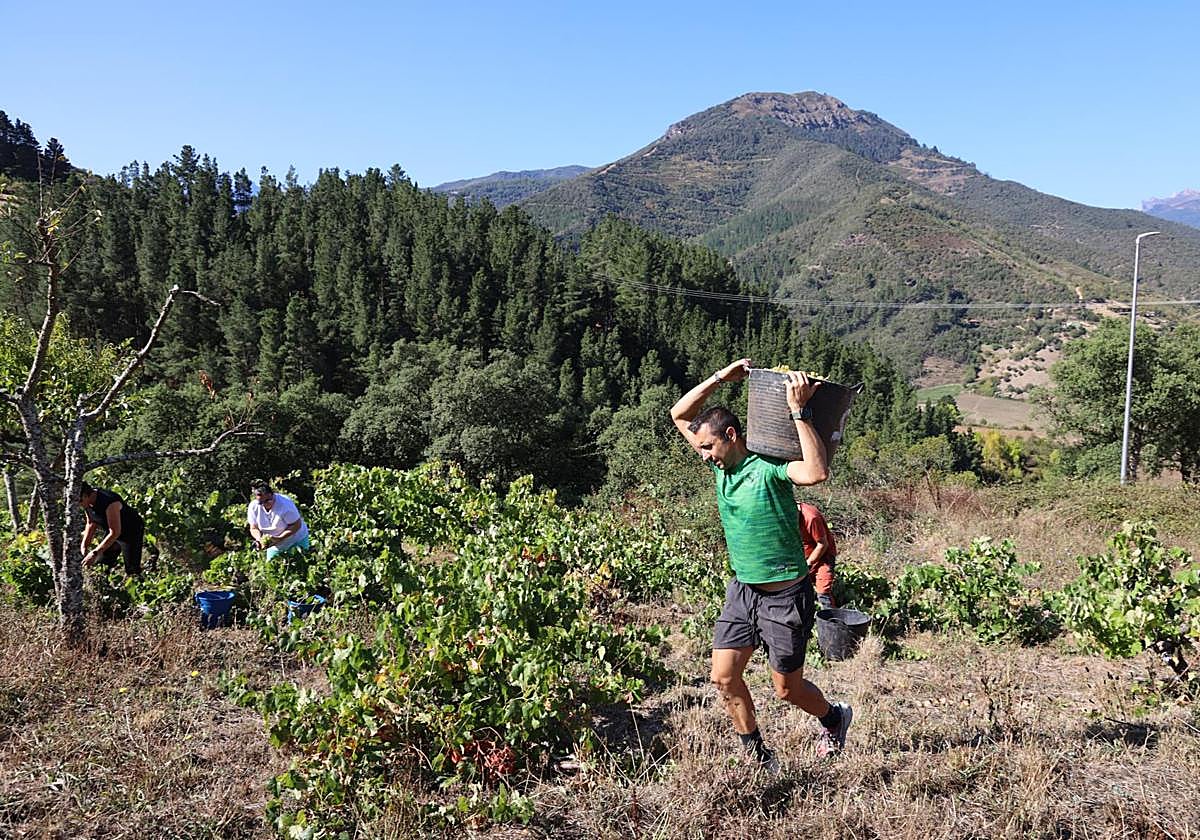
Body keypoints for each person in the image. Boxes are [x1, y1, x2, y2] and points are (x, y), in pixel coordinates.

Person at [670, 358, 852, 766]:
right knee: (723, 677)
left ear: (730, 436)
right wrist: (721, 377)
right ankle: (758, 756)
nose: (703, 457)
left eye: (708, 447)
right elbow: (679, 413)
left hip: (786, 595)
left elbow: (818, 471)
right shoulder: (720, 470)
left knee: (787, 689)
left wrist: (800, 411)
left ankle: (834, 717)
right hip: (743, 590)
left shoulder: (768, 468)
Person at [80, 482, 145, 576]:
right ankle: (104, 588)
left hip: (131, 531)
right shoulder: (87, 502)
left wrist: (94, 553)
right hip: (112, 531)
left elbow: (115, 532)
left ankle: (142, 587)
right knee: (102, 565)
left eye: (79, 501)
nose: (78, 504)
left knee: (132, 570)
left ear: (85, 495)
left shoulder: (110, 502)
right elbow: (91, 523)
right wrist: (84, 546)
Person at [246, 479, 311, 559]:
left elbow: (296, 525)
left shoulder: (285, 504)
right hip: (275, 545)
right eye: (261, 502)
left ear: (272, 494)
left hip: (296, 539)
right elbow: (254, 528)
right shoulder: (254, 507)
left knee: (301, 564)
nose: (264, 504)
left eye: (267, 501)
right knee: (271, 568)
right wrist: (259, 540)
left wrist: (279, 538)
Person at [798, 502, 837, 609]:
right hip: (803, 554)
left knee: (823, 592)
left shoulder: (811, 517)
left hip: (824, 556)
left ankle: (830, 621)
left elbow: (823, 545)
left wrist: (808, 564)